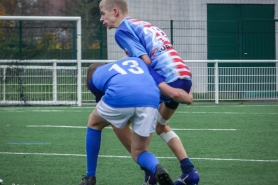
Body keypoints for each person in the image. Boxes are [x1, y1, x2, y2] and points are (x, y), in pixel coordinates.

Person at [99, 0, 200, 185]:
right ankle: (189, 171)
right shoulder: (143, 24)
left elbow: (144, 62)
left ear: (115, 11)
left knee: (118, 123)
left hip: (166, 80)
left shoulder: (122, 30)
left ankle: (149, 171)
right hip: (183, 76)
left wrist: (167, 89)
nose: (101, 19)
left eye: (103, 14)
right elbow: (164, 53)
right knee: (160, 126)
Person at [78, 57, 175, 185]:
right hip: (151, 96)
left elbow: (111, 115)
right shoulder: (127, 63)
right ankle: (156, 168)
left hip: (121, 94)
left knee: (94, 123)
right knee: (140, 151)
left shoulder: (95, 76)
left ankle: (90, 177)